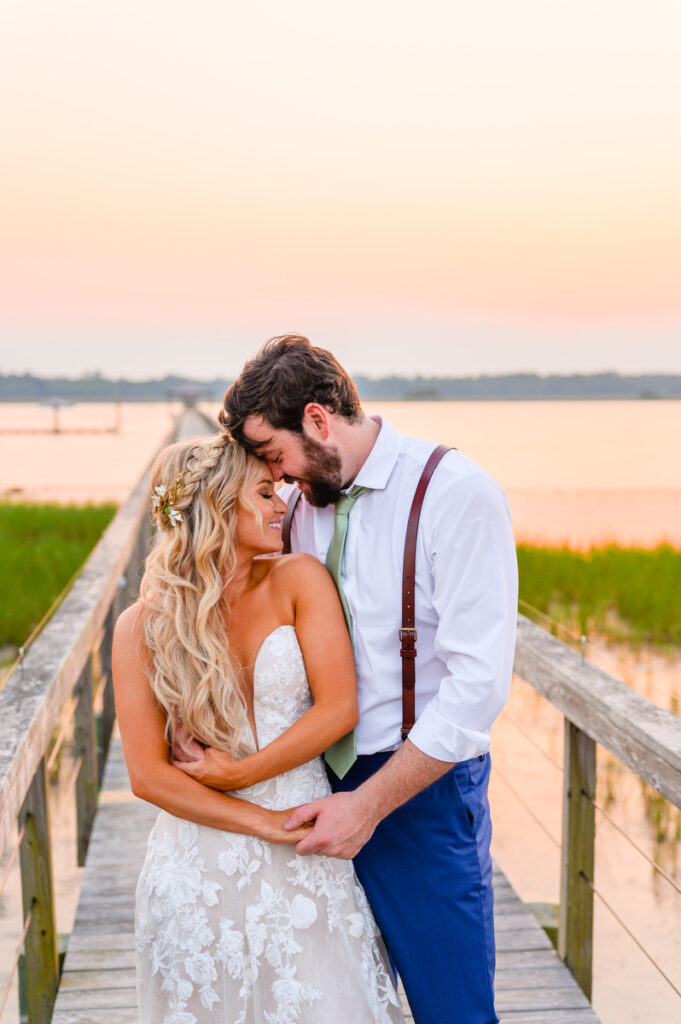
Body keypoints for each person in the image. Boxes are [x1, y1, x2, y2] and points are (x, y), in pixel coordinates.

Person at [220, 335, 518, 1024]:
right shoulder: (290, 511)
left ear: (318, 421)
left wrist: (371, 803)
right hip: (306, 786)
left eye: (275, 455)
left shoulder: (456, 493)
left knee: (453, 1010)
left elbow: (477, 687)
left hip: (421, 793)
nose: (279, 478)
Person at [112, 433, 405, 1024]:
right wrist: (264, 824)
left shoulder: (299, 579)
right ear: (220, 506)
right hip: (197, 868)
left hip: (305, 851)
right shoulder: (140, 625)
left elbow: (338, 709)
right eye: (266, 492)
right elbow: (146, 777)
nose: (283, 504)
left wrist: (244, 776)